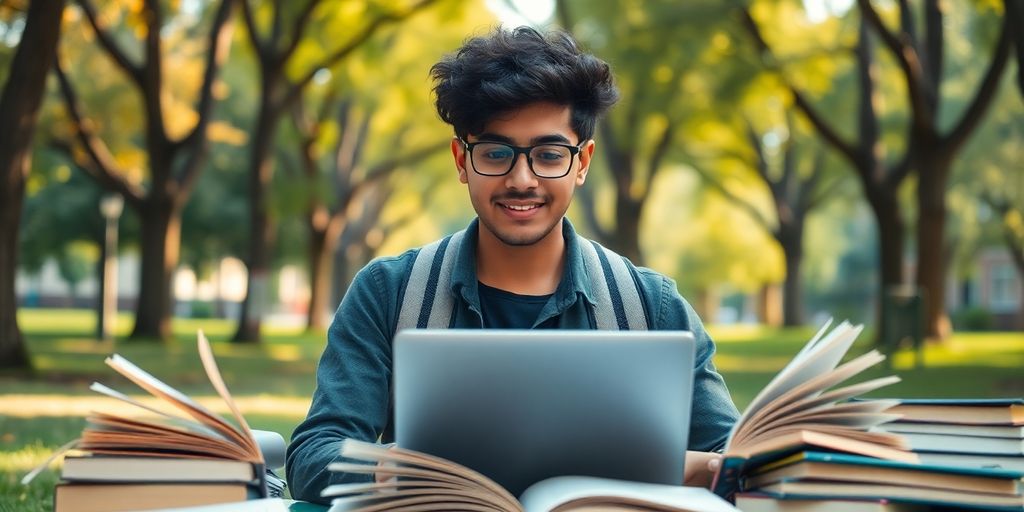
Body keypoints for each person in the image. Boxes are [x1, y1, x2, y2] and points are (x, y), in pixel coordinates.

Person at [286, 26, 740, 504]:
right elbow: (313, 456)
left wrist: (697, 466)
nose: (521, 180)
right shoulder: (388, 291)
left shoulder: (653, 306)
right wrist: (402, 470)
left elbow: (731, 458)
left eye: (548, 155)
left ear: (581, 163)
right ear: (462, 159)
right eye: (497, 153)